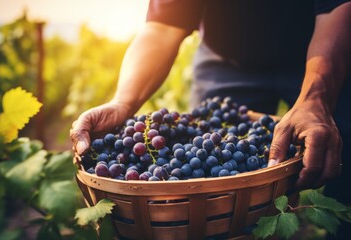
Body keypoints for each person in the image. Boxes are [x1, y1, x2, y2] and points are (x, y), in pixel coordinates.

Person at [70, 0, 351, 238]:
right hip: (225, 55)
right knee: (207, 196)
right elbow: (163, 26)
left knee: (340, 148)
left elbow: (338, 7)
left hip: (320, 48)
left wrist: (316, 99)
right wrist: (123, 102)